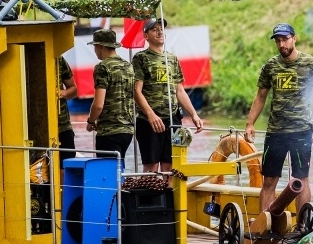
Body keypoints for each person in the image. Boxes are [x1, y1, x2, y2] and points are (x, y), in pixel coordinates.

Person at [245, 23, 313, 213]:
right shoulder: (270, 66)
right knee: (269, 180)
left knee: (301, 179)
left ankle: (303, 224)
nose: (282, 44)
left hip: (301, 131)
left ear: (294, 38)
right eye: (278, 41)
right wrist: (250, 124)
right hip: (276, 131)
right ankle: (265, 223)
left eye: (285, 39)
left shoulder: (310, 63)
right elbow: (260, 96)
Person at [133, 18, 203, 175]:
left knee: (170, 166)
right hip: (149, 121)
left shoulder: (172, 59)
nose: (160, 32)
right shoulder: (141, 58)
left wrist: (194, 114)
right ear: (146, 36)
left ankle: (169, 192)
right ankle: (149, 192)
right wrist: (151, 115)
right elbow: (136, 91)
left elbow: (180, 90)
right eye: (154, 29)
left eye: (161, 29)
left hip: (172, 118)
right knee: (151, 167)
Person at [86, 29, 135, 163]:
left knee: (107, 171)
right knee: (119, 169)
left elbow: (98, 105)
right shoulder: (128, 66)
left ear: (100, 46)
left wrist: (91, 121)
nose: (95, 51)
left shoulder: (102, 67)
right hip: (127, 130)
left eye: (95, 47)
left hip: (109, 131)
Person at [56, 56, 78, 164]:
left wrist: (62, 93)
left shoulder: (59, 59)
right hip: (34, 129)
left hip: (63, 126)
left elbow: (74, 89)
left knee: (66, 165)